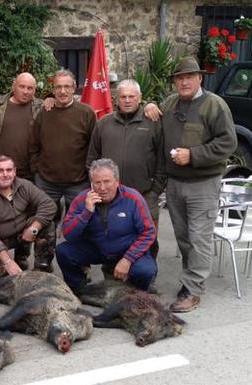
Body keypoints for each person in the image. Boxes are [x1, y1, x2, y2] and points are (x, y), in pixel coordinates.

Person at [144, 57, 237, 312]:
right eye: (179, 78)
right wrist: (149, 105)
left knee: (199, 238)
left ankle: (193, 289)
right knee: (183, 237)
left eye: (189, 77)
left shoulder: (214, 105)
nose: (184, 81)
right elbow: (154, 122)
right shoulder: (170, 103)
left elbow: (228, 143)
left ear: (200, 78)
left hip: (203, 184)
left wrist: (193, 155)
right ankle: (190, 280)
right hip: (175, 183)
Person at [87, 79, 165, 258]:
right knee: (113, 236)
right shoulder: (103, 123)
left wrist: (155, 190)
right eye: (123, 96)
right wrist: (97, 188)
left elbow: (162, 159)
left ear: (140, 98)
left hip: (145, 193)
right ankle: (113, 274)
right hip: (110, 196)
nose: (127, 100)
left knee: (148, 237)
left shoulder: (152, 122)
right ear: (116, 99)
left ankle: (147, 277)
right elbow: (92, 158)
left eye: (132, 96)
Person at [56, 159, 157, 293]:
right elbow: (68, 234)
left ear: (117, 181)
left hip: (126, 249)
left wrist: (128, 259)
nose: (102, 188)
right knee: (64, 251)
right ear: (92, 184)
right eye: (97, 182)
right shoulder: (82, 199)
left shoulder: (133, 198)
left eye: (107, 181)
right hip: (98, 248)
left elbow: (148, 232)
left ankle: (136, 293)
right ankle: (79, 290)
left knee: (145, 271)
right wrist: (86, 213)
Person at [29, 69, 96, 271]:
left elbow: (95, 146)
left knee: (80, 225)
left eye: (67, 86)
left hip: (78, 181)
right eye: (58, 87)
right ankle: (43, 264)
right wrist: (36, 170)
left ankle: (80, 267)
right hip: (47, 180)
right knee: (44, 222)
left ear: (74, 88)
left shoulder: (86, 113)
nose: (63, 91)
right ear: (53, 89)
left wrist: (90, 175)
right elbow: (33, 145)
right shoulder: (44, 113)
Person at [0, 154, 57, 281]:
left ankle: (42, 269)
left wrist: (33, 228)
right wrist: (7, 261)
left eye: (9, 170)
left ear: (14, 172)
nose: (5, 174)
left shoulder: (24, 185)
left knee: (47, 224)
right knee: (0, 281)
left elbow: (49, 204)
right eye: (0, 170)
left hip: (21, 233)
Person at [0, 72, 42, 180]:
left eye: (30, 88)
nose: (25, 91)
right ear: (14, 85)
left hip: (29, 173)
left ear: (35, 90)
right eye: (22, 87)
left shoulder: (41, 108)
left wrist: (52, 99)